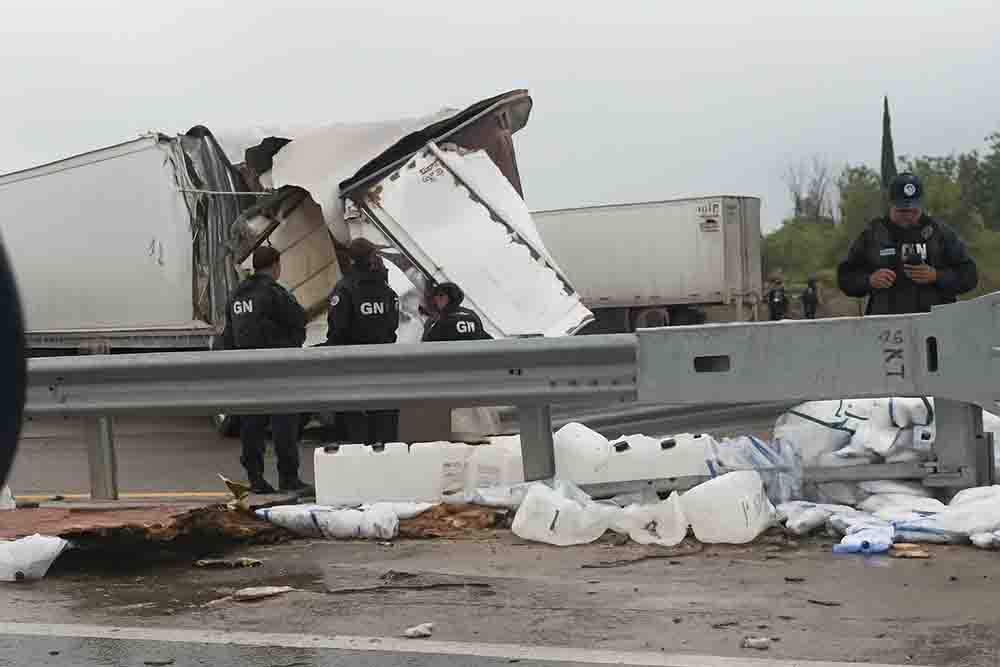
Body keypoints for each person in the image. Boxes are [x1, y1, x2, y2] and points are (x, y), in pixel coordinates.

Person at [222, 246, 311, 495]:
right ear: (275, 265)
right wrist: (290, 349)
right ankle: (288, 477)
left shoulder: (237, 295)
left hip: (247, 368)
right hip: (277, 367)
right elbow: (298, 322)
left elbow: (228, 335)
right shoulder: (274, 293)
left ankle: (255, 478)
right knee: (285, 422)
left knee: (252, 424)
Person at [837, 172, 978, 315]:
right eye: (902, 211)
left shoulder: (940, 233)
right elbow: (845, 278)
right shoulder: (872, 235)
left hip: (936, 325)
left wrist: (936, 276)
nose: (908, 216)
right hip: (887, 328)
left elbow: (970, 276)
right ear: (891, 204)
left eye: (914, 211)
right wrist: (870, 280)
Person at [326, 238, 400, 444]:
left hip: (351, 363)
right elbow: (392, 325)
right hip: (383, 362)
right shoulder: (386, 290)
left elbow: (337, 329)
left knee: (353, 421)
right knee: (384, 418)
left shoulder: (344, 289)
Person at [422, 282, 492, 342]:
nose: (436, 299)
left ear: (451, 297)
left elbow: (427, 347)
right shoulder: (472, 315)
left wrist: (427, 326)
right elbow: (485, 338)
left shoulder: (441, 321)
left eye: (440, 295)